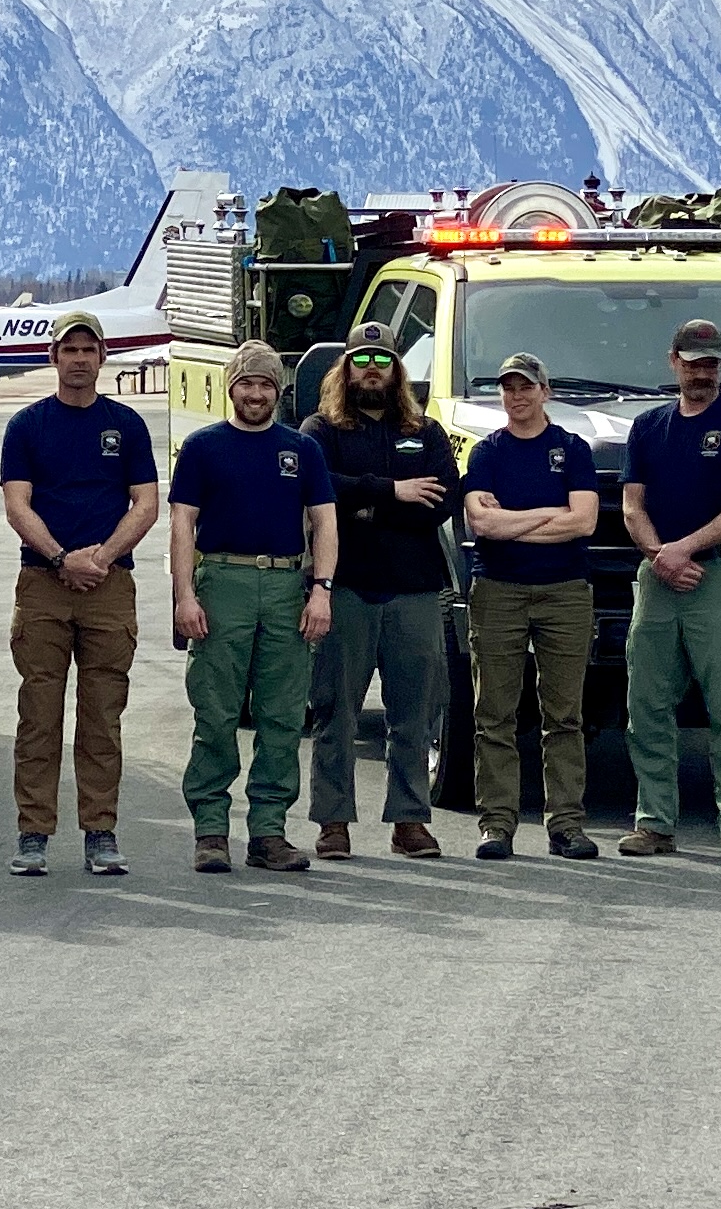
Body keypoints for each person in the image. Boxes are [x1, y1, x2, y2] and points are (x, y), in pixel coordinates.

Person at [0, 308, 160, 874]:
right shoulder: (27, 427)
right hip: (43, 584)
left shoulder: (127, 425)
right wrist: (62, 557)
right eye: (69, 350)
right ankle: (33, 834)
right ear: (54, 358)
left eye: (88, 350)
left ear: (102, 359)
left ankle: (100, 832)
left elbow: (146, 503)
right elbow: (17, 505)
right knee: (38, 714)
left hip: (109, 585)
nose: (79, 359)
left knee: (102, 715)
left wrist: (102, 557)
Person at [169, 341, 337, 873]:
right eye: (246, 383)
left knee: (283, 715)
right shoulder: (202, 448)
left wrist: (322, 589)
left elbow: (325, 521)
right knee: (216, 712)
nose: (256, 393)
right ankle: (211, 831)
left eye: (265, 384)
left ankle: (268, 832)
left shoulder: (302, 450)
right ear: (230, 387)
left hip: (287, 585)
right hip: (223, 581)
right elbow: (181, 525)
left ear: (279, 390)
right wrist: (184, 595)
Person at [617, 317, 721, 861]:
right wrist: (660, 555)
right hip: (658, 578)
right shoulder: (648, 426)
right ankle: (654, 823)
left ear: (720, 366)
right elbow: (632, 505)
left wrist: (685, 548)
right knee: (648, 707)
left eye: (710, 363)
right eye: (692, 362)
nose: (701, 372)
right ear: (673, 362)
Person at [302, 322, 454, 861]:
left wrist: (362, 508)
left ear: (397, 369)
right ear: (346, 368)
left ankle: (410, 820)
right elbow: (319, 490)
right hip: (346, 589)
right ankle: (333, 820)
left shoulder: (427, 432)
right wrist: (391, 492)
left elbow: (441, 503)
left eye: (382, 360)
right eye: (362, 358)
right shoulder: (321, 430)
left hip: (413, 591)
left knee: (413, 712)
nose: (371, 368)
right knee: (335, 711)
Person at [461, 350, 602, 862]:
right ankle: (496, 824)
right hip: (498, 589)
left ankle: (566, 824)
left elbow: (583, 522)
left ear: (545, 391)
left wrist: (514, 520)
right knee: (493, 713)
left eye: (526, 387)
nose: (516, 396)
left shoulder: (572, 448)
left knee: (563, 714)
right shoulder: (487, 453)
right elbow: (482, 525)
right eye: (508, 387)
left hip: (564, 591)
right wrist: (548, 513)